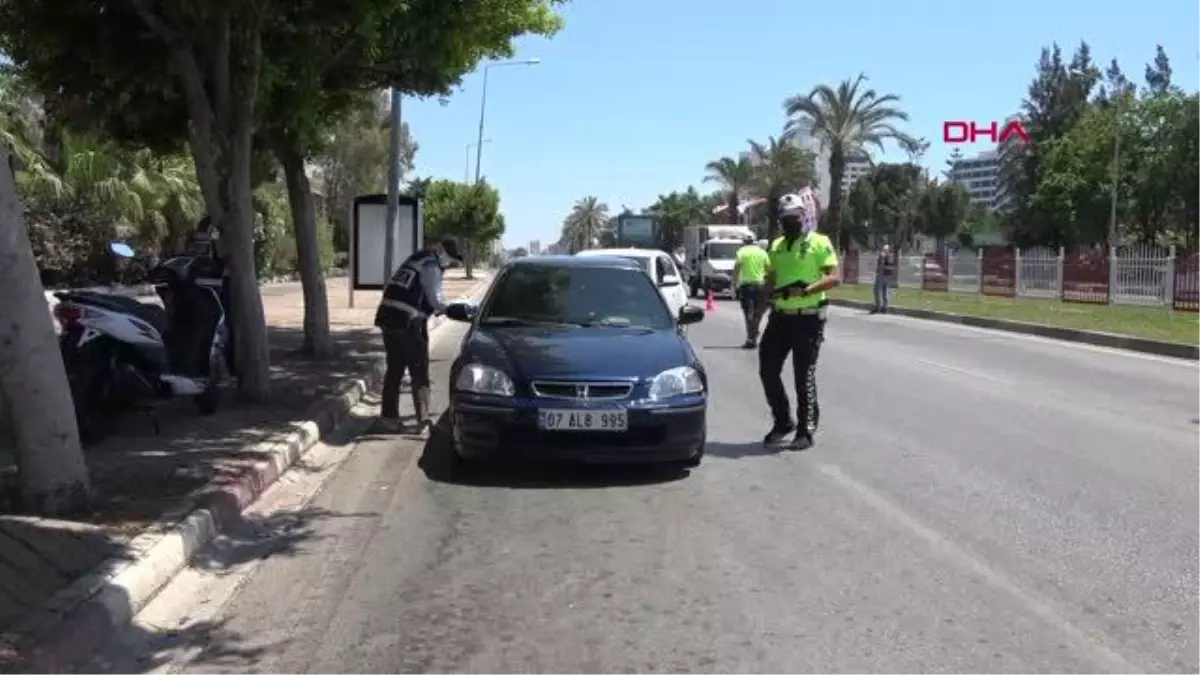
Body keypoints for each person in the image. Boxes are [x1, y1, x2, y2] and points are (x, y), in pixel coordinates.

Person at [759, 192, 841, 450]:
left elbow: (834, 277)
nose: (789, 222)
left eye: (794, 217)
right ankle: (783, 421)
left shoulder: (820, 242)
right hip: (780, 317)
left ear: (804, 217)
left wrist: (807, 289)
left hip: (808, 319)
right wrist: (765, 295)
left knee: (802, 375)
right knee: (767, 370)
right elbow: (771, 278)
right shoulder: (776, 246)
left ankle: (805, 430)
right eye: (785, 219)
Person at [374, 237, 462, 433]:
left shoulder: (417, 258)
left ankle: (388, 418)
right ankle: (423, 421)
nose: (449, 263)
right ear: (441, 252)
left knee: (395, 369)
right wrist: (455, 309)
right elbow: (436, 300)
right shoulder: (432, 266)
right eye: (449, 258)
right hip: (408, 321)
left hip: (387, 317)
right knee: (419, 370)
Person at [732, 233, 770, 348]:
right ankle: (754, 332)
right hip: (761, 285)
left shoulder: (742, 251)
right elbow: (769, 268)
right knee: (758, 312)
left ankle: (750, 337)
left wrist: (734, 284)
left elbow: (737, 268)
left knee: (748, 312)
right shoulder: (762, 252)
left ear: (744, 242)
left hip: (747, 286)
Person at [872, 244, 896, 314]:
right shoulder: (892, 256)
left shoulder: (882, 255)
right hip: (888, 275)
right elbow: (894, 266)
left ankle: (878, 307)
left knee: (877, 290)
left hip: (882, 275)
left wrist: (879, 273)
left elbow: (881, 265)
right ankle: (885, 307)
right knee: (886, 291)